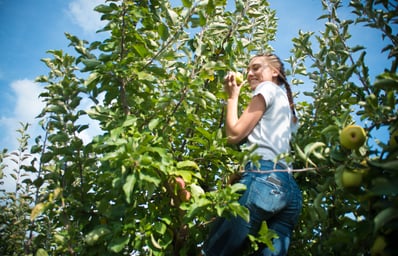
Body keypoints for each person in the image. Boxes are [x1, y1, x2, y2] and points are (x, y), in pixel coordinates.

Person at [203, 53, 302, 256]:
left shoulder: (267, 88)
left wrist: (232, 97)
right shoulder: (288, 107)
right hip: (289, 191)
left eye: (256, 68)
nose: (249, 74)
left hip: (264, 179)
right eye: (248, 70)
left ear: (274, 72)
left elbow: (234, 134)